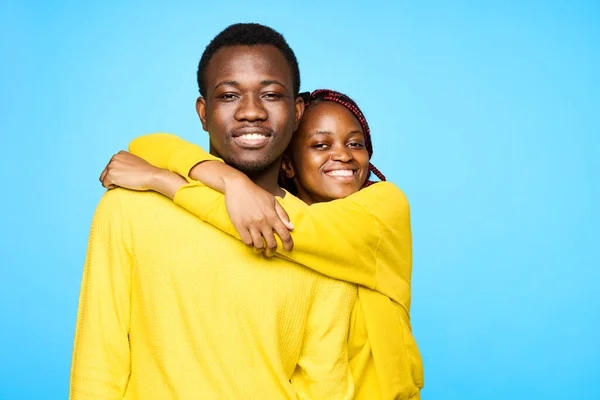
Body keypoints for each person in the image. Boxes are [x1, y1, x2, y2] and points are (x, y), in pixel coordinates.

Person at [70, 23, 358, 400]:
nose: (251, 112)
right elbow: (98, 366)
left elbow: (326, 387)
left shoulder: (321, 240)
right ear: (203, 112)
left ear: (297, 111)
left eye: (270, 94)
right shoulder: (129, 208)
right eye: (229, 96)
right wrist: (232, 184)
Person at [101, 90, 424, 399]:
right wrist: (234, 181)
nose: (342, 154)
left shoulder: (384, 206)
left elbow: (277, 227)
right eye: (321, 144)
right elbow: (148, 143)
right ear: (288, 165)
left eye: (356, 143)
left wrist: (165, 181)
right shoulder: (285, 225)